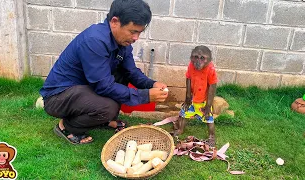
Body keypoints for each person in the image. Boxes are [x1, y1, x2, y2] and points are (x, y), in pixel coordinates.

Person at [40, 0, 168, 145]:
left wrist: (152, 84)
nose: (136, 38)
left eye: (139, 32)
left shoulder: (122, 42)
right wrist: (146, 96)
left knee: (121, 76)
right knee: (108, 107)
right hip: (58, 96)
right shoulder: (95, 40)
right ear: (115, 21)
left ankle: (100, 120)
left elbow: (131, 71)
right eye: (133, 31)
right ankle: (67, 127)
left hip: (83, 89)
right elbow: (104, 86)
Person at [172, 45, 217, 147]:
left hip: (204, 100)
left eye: (202, 58)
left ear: (209, 60)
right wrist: (188, 97)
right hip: (192, 98)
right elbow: (188, 79)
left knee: (208, 118)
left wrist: (208, 105)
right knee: (184, 113)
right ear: (191, 58)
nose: (198, 61)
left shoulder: (210, 69)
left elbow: (212, 87)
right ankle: (180, 129)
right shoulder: (191, 66)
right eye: (195, 57)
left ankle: (212, 137)